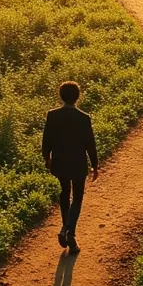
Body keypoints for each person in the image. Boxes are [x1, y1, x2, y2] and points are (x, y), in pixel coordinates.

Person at [41, 81, 98, 253]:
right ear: (77, 97)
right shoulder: (84, 118)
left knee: (64, 192)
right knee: (78, 196)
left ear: (61, 96)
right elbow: (90, 144)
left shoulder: (52, 115)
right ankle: (69, 232)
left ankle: (65, 227)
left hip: (60, 162)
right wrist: (95, 165)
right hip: (78, 163)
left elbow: (46, 141)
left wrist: (47, 158)